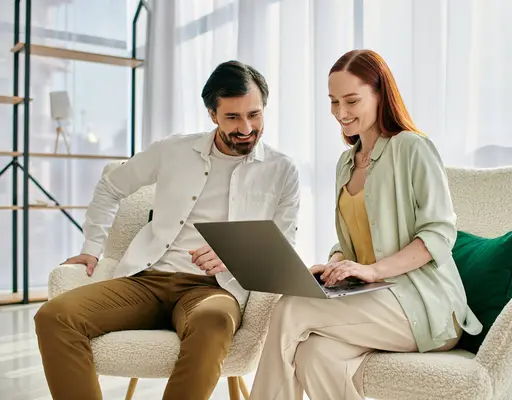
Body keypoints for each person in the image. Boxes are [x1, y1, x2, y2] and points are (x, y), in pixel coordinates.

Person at [34, 60, 300, 400]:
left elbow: (283, 248)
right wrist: (91, 247)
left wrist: (236, 253)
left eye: (255, 114)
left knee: (214, 323)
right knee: (54, 317)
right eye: (233, 117)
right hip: (147, 278)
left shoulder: (282, 171)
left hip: (213, 291)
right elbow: (111, 186)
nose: (246, 128)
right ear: (212, 114)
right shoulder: (173, 150)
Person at [249, 49, 483, 400]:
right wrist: (336, 264)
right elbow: (352, 241)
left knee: (290, 308)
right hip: (374, 300)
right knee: (314, 355)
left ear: (379, 95)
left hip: (425, 308)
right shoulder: (347, 163)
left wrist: (374, 271)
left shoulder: (412, 148)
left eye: (352, 100)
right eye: (333, 102)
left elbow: (439, 234)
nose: (341, 113)